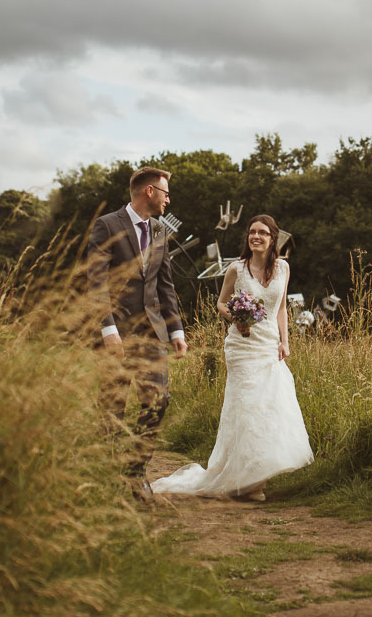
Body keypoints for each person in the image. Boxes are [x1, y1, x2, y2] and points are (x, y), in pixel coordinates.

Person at [151, 213, 313, 501]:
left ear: (273, 238)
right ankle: (251, 484)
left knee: (270, 406)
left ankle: (255, 475)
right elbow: (221, 303)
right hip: (242, 347)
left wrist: (285, 341)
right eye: (252, 232)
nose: (256, 237)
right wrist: (237, 316)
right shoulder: (236, 270)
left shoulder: (283, 269)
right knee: (247, 407)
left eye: (263, 232)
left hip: (269, 345)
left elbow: (281, 309)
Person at [85, 166, 187, 502]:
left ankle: (135, 472)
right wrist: (108, 328)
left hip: (152, 334)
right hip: (115, 336)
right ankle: (108, 477)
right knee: (112, 406)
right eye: (165, 192)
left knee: (159, 400)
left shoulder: (159, 230)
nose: (168, 199)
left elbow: (164, 283)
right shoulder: (108, 225)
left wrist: (175, 328)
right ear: (148, 192)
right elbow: (96, 280)